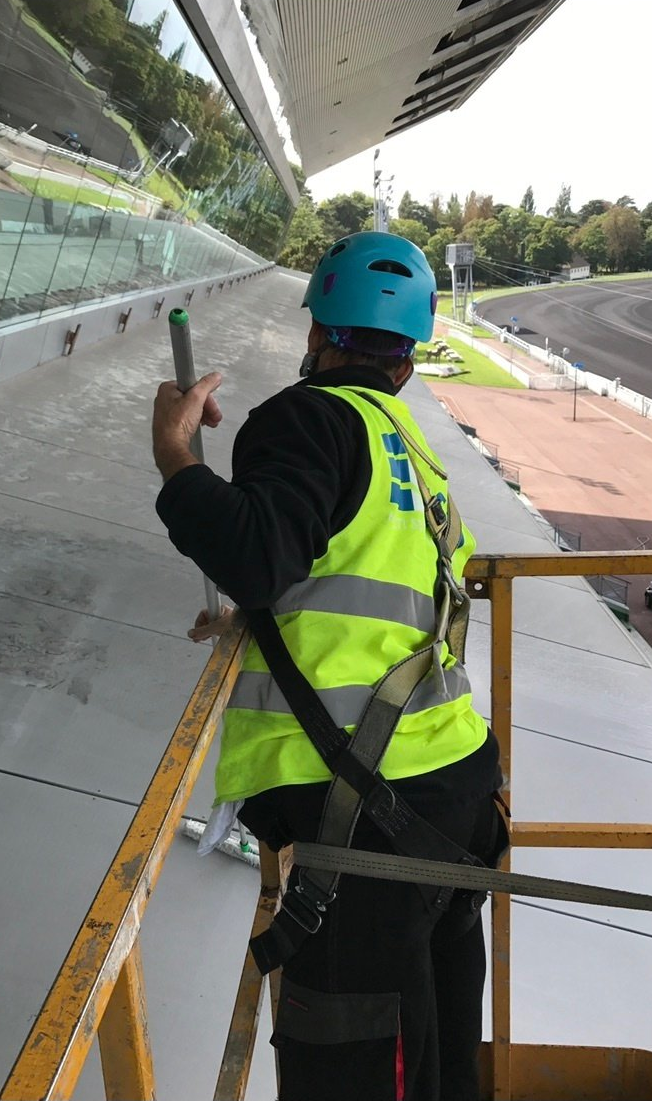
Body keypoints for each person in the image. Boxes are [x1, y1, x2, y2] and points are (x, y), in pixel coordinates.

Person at [152, 231, 504, 1101]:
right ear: (409, 360)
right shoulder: (417, 457)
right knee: (443, 1069)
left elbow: (260, 554)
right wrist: (264, 620)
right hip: (456, 802)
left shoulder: (308, 417)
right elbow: (364, 596)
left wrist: (176, 455)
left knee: (354, 1071)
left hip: (366, 824)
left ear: (319, 334)